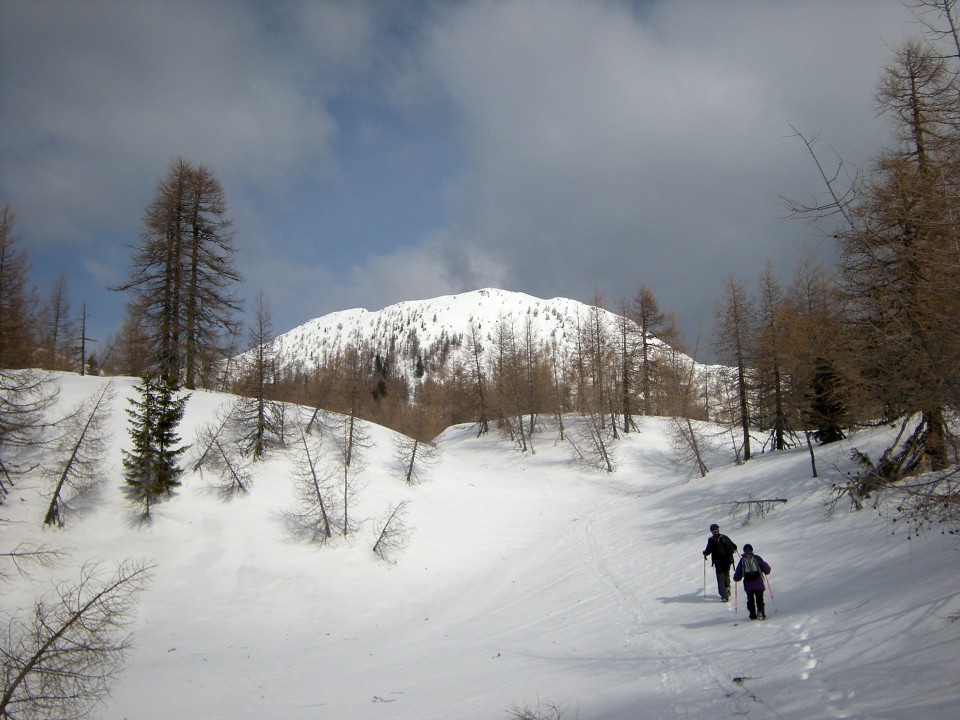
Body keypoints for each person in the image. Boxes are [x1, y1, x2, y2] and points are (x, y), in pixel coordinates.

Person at [733, 543, 772, 620]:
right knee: (759, 599)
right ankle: (760, 613)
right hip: (758, 583)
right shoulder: (757, 558)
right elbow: (767, 570)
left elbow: (738, 574)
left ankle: (752, 615)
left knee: (750, 599)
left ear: (744, 551)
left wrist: (736, 578)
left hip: (748, 584)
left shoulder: (742, 560)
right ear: (752, 550)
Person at [702, 523, 737, 602]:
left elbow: (708, 551)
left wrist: (704, 553)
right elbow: (734, 546)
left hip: (719, 562)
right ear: (718, 529)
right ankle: (727, 587)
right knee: (726, 574)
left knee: (720, 578)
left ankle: (724, 596)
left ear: (711, 531)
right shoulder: (725, 537)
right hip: (728, 560)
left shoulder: (711, 540)